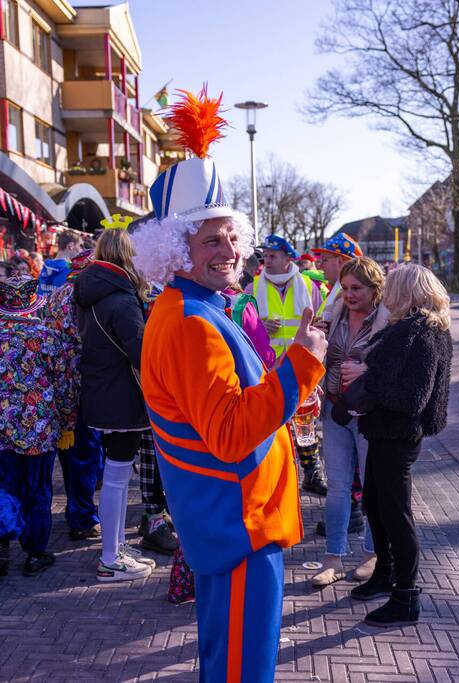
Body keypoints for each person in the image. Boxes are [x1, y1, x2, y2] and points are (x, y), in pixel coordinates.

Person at [132, 85, 326, 682]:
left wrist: (287, 386)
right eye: (211, 239)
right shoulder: (192, 321)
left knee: (230, 659)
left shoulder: (196, 307)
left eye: (233, 236)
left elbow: (230, 403)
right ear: (177, 249)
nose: (229, 250)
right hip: (237, 520)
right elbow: (230, 432)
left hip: (229, 516)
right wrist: (301, 365)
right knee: (243, 668)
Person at [348, 263, 452, 627]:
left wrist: (368, 381)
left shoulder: (422, 332)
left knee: (396, 513)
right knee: (376, 506)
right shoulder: (407, 328)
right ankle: (385, 573)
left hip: (399, 434)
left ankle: (406, 595)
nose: (386, 293)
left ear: (406, 292)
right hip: (383, 431)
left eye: (392, 287)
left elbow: (413, 398)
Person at [0, 277, 75, 577]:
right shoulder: (48, 338)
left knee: (3, 483)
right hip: (38, 427)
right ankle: (35, 552)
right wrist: (67, 421)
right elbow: (65, 386)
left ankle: (1, 541)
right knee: (37, 488)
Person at [74, 227, 156, 582]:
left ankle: (116, 546)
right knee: (118, 478)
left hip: (102, 391)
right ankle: (111, 555)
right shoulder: (121, 299)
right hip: (121, 394)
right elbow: (140, 351)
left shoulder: (92, 292)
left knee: (115, 476)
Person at [310, 256, 388, 588]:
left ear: (375, 289)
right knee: (338, 488)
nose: (349, 294)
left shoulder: (388, 322)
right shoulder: (334, 316)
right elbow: (321, 357)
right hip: (334, 409)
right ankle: (332, 558)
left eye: (357, 288)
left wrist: (370, 370)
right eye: (344, 288)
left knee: (373, 486)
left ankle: (373, 553)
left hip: (369, 414)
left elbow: (397, 364)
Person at [248, 233, 327, 495]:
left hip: (301, 365)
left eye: (272, 256)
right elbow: (243, 326)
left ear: (287, 258)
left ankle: (311, 473)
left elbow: (319, 327)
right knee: (272, 424)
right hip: (267, 368)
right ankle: (278, 476)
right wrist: (260, 327)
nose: (266, 261)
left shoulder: (308, 285)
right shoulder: (253, 287)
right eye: (265, 256)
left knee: (305, 423)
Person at [41, 248, 104, 542]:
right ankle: (81, 517)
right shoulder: (87, 296)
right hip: (82, 385)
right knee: (84, 453)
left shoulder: (54, 296)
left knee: (71, 453)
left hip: (57, 384)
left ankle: (78, 511)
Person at [314, 233, 364, 324]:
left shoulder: (351, 297)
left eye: (324, 260)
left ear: (340, 261)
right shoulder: (337, 290)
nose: (320, 266)